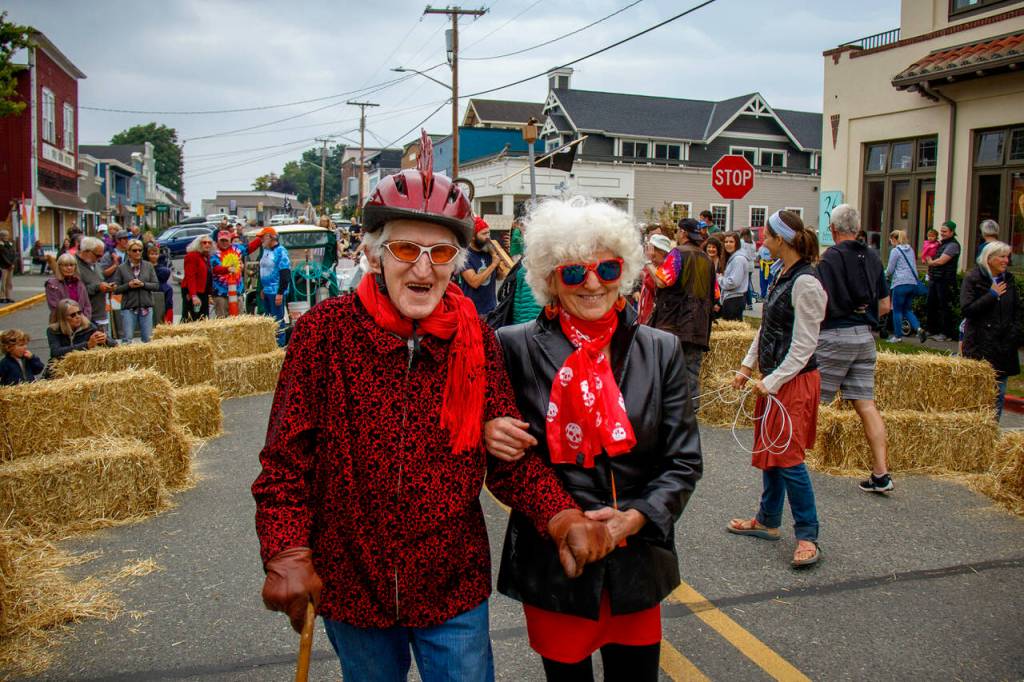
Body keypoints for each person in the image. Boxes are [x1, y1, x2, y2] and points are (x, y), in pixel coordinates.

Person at [252, 145, 611, 682]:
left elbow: (510, 460)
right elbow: (285, 463)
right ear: (375, 255)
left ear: (458, 263)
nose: (422, 267)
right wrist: (285, 550)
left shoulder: (476, 344)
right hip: (353, 583)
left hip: (451, 585)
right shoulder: (322, 336)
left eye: (441, 254)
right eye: (405, 249)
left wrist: (561, 517)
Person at [485, 197, 702, 681]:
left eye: (607, 267)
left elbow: (683, 461)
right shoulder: (512, 347)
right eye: (572, 272)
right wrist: (486, 429)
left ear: (623, 271)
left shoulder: (661, 349)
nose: (592, 282)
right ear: (548, 280)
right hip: (554, 561)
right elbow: (506, 462)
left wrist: (634, 519)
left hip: (638, 556)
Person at [729, 210, 826, 568]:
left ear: (780, 240)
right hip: (775, 378)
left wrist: (772, 380)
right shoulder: (782, 275)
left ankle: (808, 534)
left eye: (765, 237)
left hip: (794, 381)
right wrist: (745, 366)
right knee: (771, 451)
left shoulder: (806, 282)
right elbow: (767, 326)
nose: (761, 243)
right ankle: (768, 520)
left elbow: (804, 346)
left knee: (789, 458)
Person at [817, 205, 894, 494]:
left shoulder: (829, 259)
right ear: (858, 229)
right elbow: (886, 304)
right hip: (865, 336)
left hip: (835, 333)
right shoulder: (873, 257)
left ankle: (793, 463)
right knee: (866, 404)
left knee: (811, 399)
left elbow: (818, 302)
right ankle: (881, 472)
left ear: (833, 229)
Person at [648, 219, 716, 405]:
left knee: (666, 370)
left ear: (683, 233)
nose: (677, 234)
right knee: (691, 373)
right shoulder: (707, 259)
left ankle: (668, 413)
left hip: (673, 323)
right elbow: (716, 294)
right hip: (698, 326)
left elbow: (662, 281)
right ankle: (690, 414)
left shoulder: (678, 254)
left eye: (678, 231)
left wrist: (649, 265)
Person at [961, 240, 1020, 419]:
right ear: (989, 258)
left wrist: (1015, 336)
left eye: (1007, 257)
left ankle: (992, 430)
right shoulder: (974, 279)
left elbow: (1017, 311)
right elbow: (967, 310)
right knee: (977, 395)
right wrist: (991, 295)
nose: (1005, 261)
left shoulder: (1009, 280)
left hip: (1004, 347)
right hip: (980, 346)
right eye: (1001, 257)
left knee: (998, 394)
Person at [113, 239, 160, 343]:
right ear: (128, 252)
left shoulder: (148, 266)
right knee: (127, 339)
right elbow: (115, 289)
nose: (138, 252)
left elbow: (156, 285)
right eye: (134, 250)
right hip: (129, 308)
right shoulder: (121, 268)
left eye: (140, 250)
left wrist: (143, 284)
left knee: (148, 339)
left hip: (146, 307)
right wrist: (128, 285)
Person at [921, 220, 961, 342]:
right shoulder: (941, 244)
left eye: (945, 231)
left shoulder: (953, 245)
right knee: (931, 304)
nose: (942, 233)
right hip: (935, 278)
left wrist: (931, 262)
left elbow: (943, 260)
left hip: (945, 280)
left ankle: (946, 333)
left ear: (952, 232)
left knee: (944, 307)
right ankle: (932, 330)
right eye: (941, 231)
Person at [46, 298, 116, 366]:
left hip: (84, 366)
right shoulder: (53, 330)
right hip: (61, 367)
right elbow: (55, 352)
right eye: (72, 315)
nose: (78, 317)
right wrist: (87, 345)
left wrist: (105, 340)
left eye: (79, 313)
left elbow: (114, 345)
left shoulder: (89, 326)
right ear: (63, 318)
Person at [884, 230, 922, 343]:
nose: (891, 242)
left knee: (897, 310)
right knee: (907, 309)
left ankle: (897, 336)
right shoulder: (910, 250)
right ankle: (918, 328)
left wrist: (884, 274)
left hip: (900, 283)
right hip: (912, 283)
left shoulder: (895, 251)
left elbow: (890, 270)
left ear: (895, 239)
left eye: (891, 240)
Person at [255, 227, 290, 346]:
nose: (261, 240)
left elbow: (285, 274)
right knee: (269, 319)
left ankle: (280, 344)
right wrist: (263, 288)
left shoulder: (281, 251)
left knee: (278, 320)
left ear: (270, 237)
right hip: (267, 290)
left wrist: (280, 292)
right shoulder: (265, 251)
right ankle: (271, 343)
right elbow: (263, 270)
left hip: (276, 291)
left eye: (262, 237)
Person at [460, 216, 500, 316]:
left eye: (489, 233)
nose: (488, 237)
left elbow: (500, 277)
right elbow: (474, 282)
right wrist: (493, 264)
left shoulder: (488, 252)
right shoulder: (465, 256)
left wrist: (500, 266)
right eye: (484, 233)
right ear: (473, 236)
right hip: (473, 311)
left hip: (491, 309)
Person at [76, 237, 116, 334]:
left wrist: (107, 287)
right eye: (97, 255)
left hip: (100, 314)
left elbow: (100, 280)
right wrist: (97, 287)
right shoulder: (74, 266)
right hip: (85, 316)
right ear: (86, 251)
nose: (100, 258)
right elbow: (77, 291)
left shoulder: (95, 264)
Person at [45, 253, 91, 324]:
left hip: (81, 322)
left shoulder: (79, 283)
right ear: (59, 267)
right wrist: (72, 319)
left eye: (71, 265)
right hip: (61, 323)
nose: (69, 268)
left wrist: (85, 319)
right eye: (65, 265)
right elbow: (55, 307)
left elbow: (87, 305)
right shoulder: (52, 284)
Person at [637, 233, 671, 325]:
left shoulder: (664, 269)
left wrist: (648, 262)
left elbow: (653, 285)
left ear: (663, 252)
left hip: (654, 317)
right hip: (644, 313)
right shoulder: (651, 266)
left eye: (654, 253)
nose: (650, 255)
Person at [210, 230, 245, 318]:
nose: (224, 243)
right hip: (220, 293)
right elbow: (214, 269)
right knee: (222, 320)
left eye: (226, 240)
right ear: (218, 240)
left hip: (237, 291)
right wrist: (227, 269)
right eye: (222, 240)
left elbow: (250, 248)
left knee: (239, 319)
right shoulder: (213, 252)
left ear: (230, 241)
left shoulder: (236, 249)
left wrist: (260, 238)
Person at [182, 234, 214, 322]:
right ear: (198, 244)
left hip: (203, 293)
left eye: (209, 243)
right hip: (193, 292)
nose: (207, 244)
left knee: (203, 318)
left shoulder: (205, 257)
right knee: (191, 318)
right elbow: (190, 276)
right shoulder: (192, 256)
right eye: (204, 242)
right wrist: (193, 295)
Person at [719, 232, 749, 321]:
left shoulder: (738, 259)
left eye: (731, 242)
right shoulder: (733, 257)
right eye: (726, 242)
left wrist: (720, 279)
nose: (728, 244)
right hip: (731, 298)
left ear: (737, 243)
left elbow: (733, 282)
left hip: (734, 299)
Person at [146, 242, 173, 325]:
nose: (154, 256)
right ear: (148, 255)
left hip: (162, 287)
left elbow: (166, 274)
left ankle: (168, 320)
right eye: (151, 254)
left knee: (169, 291)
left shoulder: (162, 266)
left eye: (156, 254)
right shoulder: (145, 266)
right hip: (150, 288)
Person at [740, 228, 757, 309]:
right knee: (748, 284)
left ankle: (746, 303)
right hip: (751, 265)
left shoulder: (742, 242)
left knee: (744, 285)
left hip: (744, 264)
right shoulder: (753, 242)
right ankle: (749, 303)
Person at [0, 230, 16, 303]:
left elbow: (14, 254)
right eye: (3, 235)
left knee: (9, 282)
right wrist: (9, 264)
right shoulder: (0, 245)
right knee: (3, 282)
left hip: (10, 266)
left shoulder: (10, 244)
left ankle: (8, 296)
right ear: (1, 236)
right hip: (3, 266)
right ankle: (2, 297)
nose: (5, 237)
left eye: (6, 235)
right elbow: (2, 256)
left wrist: (12, 263)